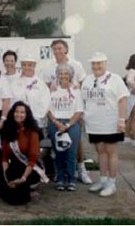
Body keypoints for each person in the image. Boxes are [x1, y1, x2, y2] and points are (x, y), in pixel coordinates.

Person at [43, 39, 92, 185]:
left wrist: (81, 111)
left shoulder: (76, 65)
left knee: (77, 144)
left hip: (74, 111)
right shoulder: (49, 67)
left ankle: (81, 170)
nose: (57, 51)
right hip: (57, 113)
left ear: (66, 49)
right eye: (55, 49)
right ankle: (61, 174)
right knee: (58, 145)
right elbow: (45, 89)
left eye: (60, 48)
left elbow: (83, 84)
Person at [81, 52, 129, 197]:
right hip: (94, 123)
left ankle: (112, 183)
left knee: (111, 151)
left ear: (105, 64)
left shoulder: (115, 79)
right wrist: (84, 118)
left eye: (99, 63)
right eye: (93, 64)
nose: (96, 66)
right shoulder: (87, 80)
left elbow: (123, 100)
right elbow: (84, 100)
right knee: (100, 150)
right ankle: (102, 180)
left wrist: (121, 120)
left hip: (111, 122)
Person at [0, 101, 49, 205]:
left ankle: (26, 188)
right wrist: (6, 176)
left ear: (27, 115)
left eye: (22, 112)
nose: (19, 114)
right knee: (5, 178)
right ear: (12, 113)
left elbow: (33, 159)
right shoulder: (8, 129)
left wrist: (23, 178)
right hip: (15, 166)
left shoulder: (32, 131)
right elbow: (4, 157)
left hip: (30, 168)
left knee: (15, 197)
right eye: (16, 111)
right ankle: (18, 187)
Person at [47, 64, 84, 192]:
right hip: (55, 124)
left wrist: (67, 125)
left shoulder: (76, 91)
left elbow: (79, 111)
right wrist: (57, 123)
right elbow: (48, 110)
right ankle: (61, 179)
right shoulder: (52, 91)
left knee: (71, 153)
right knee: (59, 153)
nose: (63, 76)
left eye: (66, 73)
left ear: (70, 75)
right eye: (61, 73)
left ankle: (72, 179)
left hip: (72, 124)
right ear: (57, 75)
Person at [11, 55, 50, 128]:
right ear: (21, 66)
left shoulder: (41, 84)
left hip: (36, 123)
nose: (27, 67)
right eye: (24, 65)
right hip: (17, 123)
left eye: (29, 65)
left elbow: (45, 104)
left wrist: (34, 118)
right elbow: (11, 102)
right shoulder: (15, 83)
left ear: (34, 66)